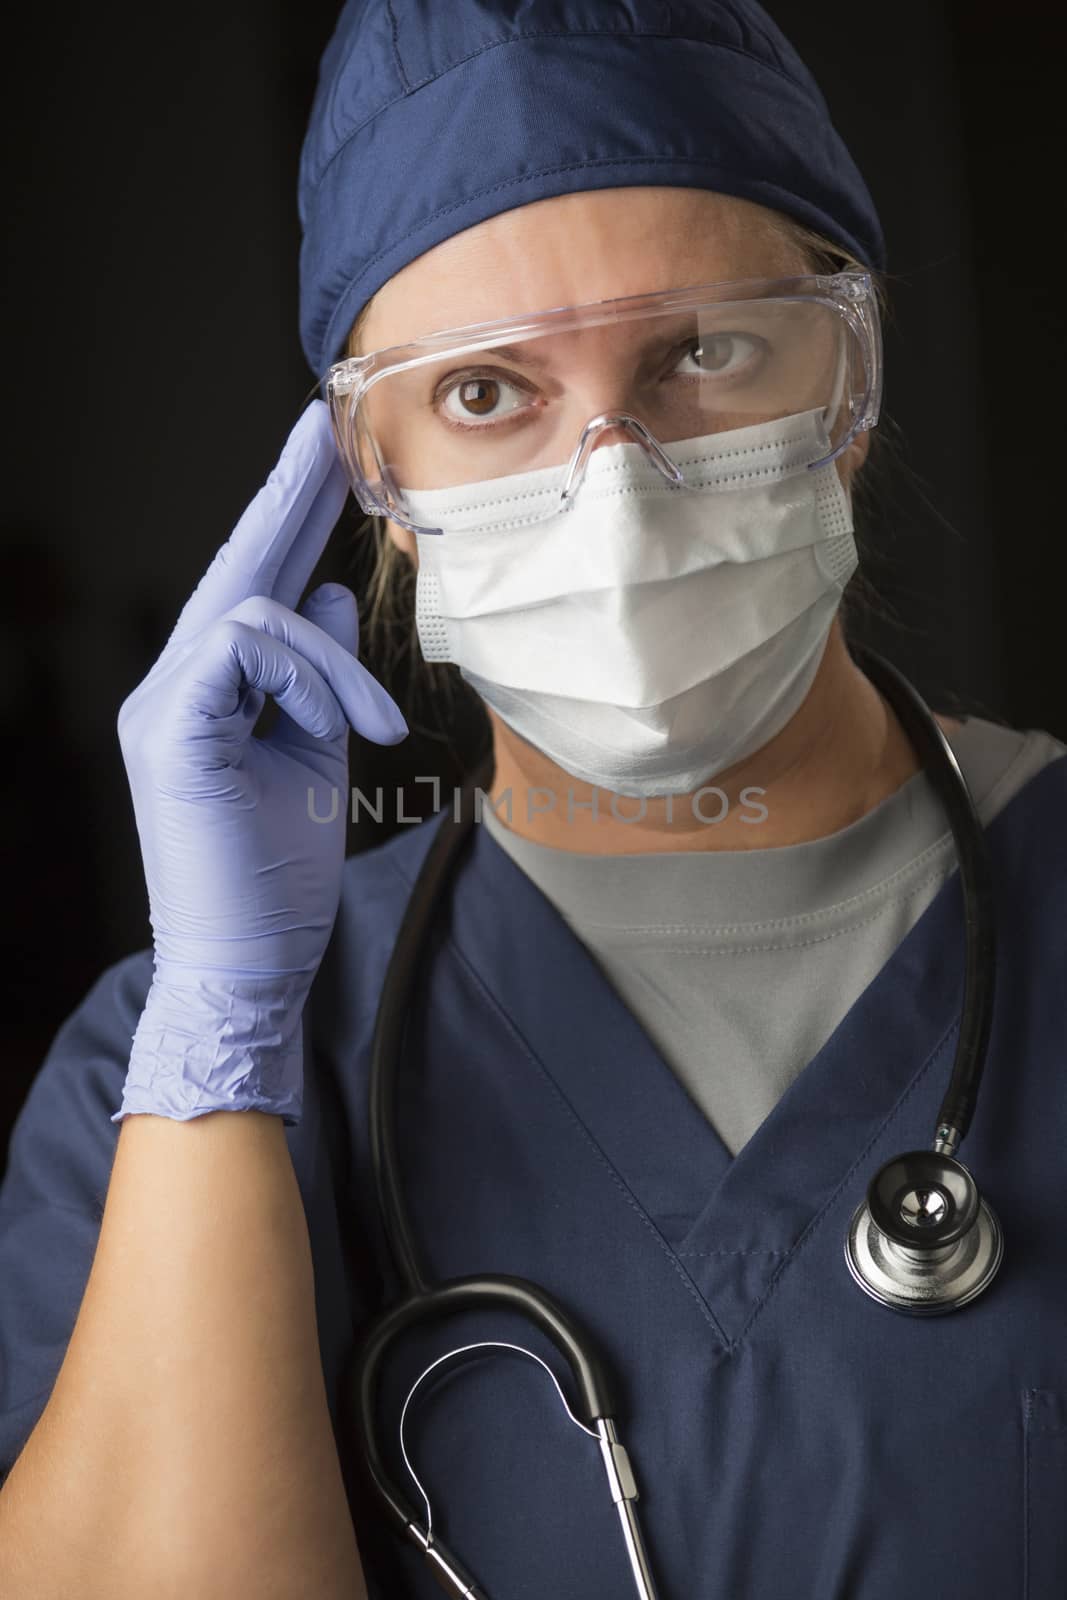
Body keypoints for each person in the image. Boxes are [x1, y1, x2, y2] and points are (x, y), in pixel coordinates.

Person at [1, 3, 1066, 1597]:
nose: (615, 483)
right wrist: (219, 1054)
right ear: (380, 487)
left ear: (848, 381)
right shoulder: (162, 1082)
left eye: (705, 349)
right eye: (488, 395)